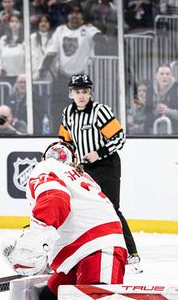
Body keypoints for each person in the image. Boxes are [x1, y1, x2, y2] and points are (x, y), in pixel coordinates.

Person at [4, 140, 127, 300]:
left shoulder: (46, 167)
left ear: (43, 157)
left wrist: (31, 245)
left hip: (98, 247)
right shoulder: (82, 176)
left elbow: (55, 199)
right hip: (82, 251)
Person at [56, 73, 142, 272]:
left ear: (90, 92)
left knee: (111, 209)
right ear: (71, 94)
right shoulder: (68, 113)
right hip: (84, 169)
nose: (81, 96)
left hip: (107, 165)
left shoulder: (99, 111)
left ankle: (132, 254)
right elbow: (65, 142)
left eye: (85, 91)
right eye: (77, 92)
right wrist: (71, 161)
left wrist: (99, 152)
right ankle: (85, 252)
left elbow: (120, 137)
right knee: (82, 210)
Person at [149, 64, 178, 134]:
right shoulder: (150, 91)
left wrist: (169, 111)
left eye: (167, 74)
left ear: (171, 75)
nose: (164, 76)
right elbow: (145, 111)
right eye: (161, 74)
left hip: (177, 135)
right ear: (156, 76)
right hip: (155, 134)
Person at [0, 13, 25, 86]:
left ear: (21, 24)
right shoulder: (3, 39)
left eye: (17, 22)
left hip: (22, 76)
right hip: (6, 75)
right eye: (12, 21)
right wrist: (0, 68)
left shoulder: (25, 39)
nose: (14, 24)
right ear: (8, 24)